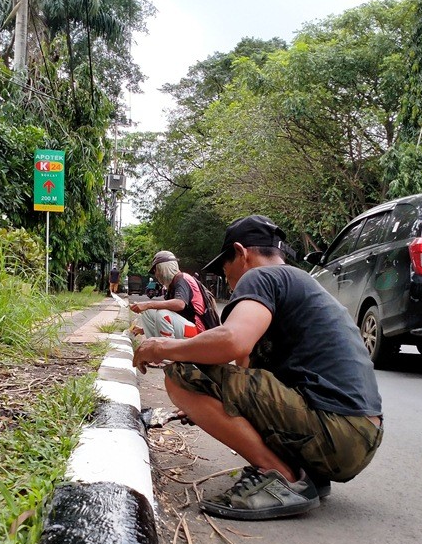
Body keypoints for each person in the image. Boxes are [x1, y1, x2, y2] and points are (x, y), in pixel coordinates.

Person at [132, 215, 383, 521]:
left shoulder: (261, 277)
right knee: (206, 380)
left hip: (336, 428)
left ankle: (281, 477)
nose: (226, 278)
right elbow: (245, 368)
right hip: (358, 437)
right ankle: (303, 473)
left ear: (241, 252)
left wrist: (161, 347)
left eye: (225, 266)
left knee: (181, 375)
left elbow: (233, 341)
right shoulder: (298, 282)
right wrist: (209, 402)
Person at [130, 250, 205, 339]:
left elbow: (180, 304)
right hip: (187, 328)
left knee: (162, 314)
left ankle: (166, 351)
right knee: (148, 311)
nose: (156, 275)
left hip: (198, 333)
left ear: (163, 268)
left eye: (155, 270)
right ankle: (154, 346)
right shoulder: (173, 284)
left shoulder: (181, 278)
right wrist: (143, 330)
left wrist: (147, 304)